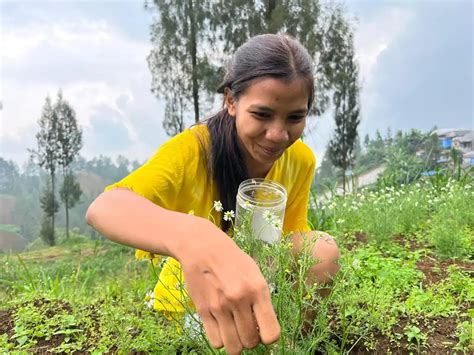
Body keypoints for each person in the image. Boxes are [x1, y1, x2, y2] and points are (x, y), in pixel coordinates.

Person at [86, 33, 340, 354]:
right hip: (193, 298)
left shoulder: (300, 160)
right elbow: (105, 208)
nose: (278, 134)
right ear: (231, 102)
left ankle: (291, 342)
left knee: (322, 251)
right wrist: (193, 235)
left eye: (295, 117)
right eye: (261, 114)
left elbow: (292, 238)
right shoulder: (193, 150)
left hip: (258, 279)